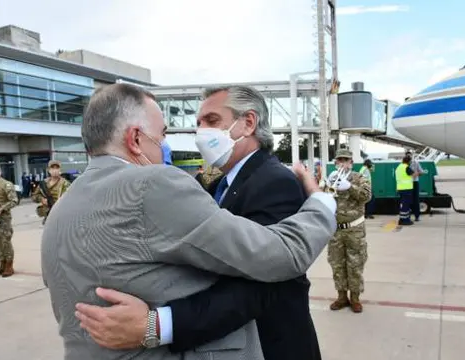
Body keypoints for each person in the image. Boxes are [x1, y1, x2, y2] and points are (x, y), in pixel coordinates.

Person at [40, 83, 337, 360]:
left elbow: (264, 282)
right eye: (164, 134)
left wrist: (158, 324)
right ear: (135, 139)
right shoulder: (158, 185)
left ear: (249, 123)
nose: (199, 133)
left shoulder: (62, 208)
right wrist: (322, 202)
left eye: (210, 120)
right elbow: (276, 255)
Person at [323, 149, 372, 312]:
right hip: (336, 230)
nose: (342, 163)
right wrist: (326, 187)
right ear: (336, 162)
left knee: (355, 264)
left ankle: (355, 298)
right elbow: (324, 199)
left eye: (346, 160)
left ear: (351, 162)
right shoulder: (331, 178)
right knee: (337, 264)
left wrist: (350, 187)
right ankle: (341, 296)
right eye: (339, 160)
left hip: (354, 230)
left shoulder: (359, 178)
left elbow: (366, 196)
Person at [31, 160, 71, 225]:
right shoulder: (44, 183)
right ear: (49, 170)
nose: (55, 170)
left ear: (60, 170)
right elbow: (34, 196)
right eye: (52, 168)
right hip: (48, 215)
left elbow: (71, 200)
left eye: (57, 168)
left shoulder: (65, 184)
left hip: (62, 216)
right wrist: (41, 199)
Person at [407, 151, 425, 221]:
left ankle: (417, 216)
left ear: (412, 156)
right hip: (407, 184)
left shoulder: (416, 163)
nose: (409, 157)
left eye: (410, 156)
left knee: (416, 200)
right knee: (408, 200)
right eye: (407, 156)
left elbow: (422, 172)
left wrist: (415, 174)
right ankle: (407, 216)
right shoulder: (404, 164)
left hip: (415, 183)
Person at [396, 155, 414, 226]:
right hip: (406, 189)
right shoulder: (406, 167)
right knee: (406, 205)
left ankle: (401, 219)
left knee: (402, 205)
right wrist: (420, 173)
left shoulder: (399, 167)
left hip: (400, 188)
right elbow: (413, 174)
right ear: (409, 161)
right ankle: (405, 220)